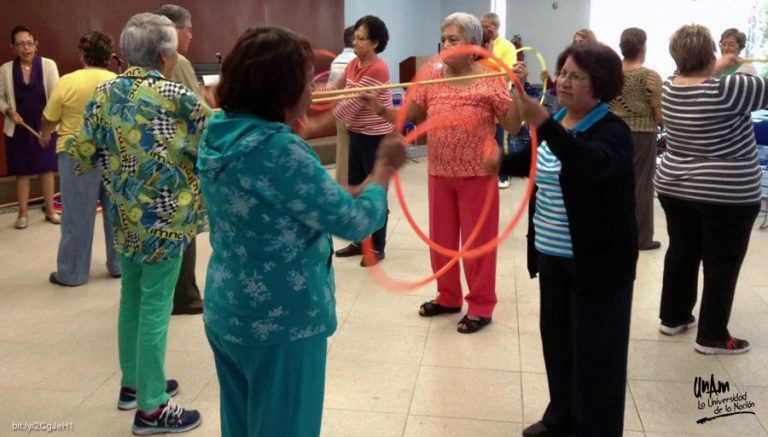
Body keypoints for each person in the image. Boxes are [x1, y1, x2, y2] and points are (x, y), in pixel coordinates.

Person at [198, 25, 406, 437]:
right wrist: (383, 171)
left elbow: (291, 200)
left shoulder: (218, 130)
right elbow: (356, 222)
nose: (315, 91)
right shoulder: (278, 148)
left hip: (229, 309)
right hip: (282, 321)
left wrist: (349, 190)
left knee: (241, 425)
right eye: (306, 81)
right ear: (280, 90)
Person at [71, 13, 210, 434]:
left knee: (132, 297)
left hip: (124, 217)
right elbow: (214, 142)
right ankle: (151, 408)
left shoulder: (103, 93)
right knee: (155, 306)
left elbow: (81, 153)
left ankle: (132, 384)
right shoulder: (177, 95)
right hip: (167, 218)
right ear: (166, 54)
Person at [491, 42, 636, 436]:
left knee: (596, 356)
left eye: (577, 75)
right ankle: (561, 418)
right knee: (558, 345)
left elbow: (587, 164)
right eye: (564, 73)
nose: (565, 82)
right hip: (552, 259)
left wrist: (544, 123)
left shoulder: (612, 132)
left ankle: (595, 428)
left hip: (597, 263)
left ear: (600, 84)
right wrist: (499, 162)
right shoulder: (562, 122)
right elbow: (539, 160)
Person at [364, 12, 523, 334]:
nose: (446, 44)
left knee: (477, 245)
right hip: (439, 172)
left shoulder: (490, 80)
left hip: (478, 172)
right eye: (444, 38)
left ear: (474, 45)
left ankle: (480, 304)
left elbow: (513, 125)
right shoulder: (431, 77)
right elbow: (407, 117)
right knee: (442, 242)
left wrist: (518, 91)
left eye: (454, 39)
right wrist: (380, 108)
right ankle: (448, 296)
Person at [655, 24, 766, 355]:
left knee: (682, 252)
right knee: (722, 263)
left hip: (676, 187)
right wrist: (732, 62)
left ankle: (673, 318)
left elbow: (703, 74)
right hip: (727, 194)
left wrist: (718, 63)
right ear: (711, 55)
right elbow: (758, 85)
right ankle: (713, 336)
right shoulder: (730, 89)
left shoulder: (668, 87)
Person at [308, 15, 395, 266]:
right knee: (357, 189)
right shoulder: (354, 64)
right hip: (357, 134)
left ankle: (377, 247)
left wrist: (316, 123)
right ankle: (361, 240)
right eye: (354, 37)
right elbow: (336, 88)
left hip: (377, 138)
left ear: (375, 43)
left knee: (375, 192)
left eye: (361, 38)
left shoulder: (379, 68)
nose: (354, 43)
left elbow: (351, 105)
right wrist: (309, 93)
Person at [40, 31, 120, 286]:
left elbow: (50, 118)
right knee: (116, 213)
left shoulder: (67, 81)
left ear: (83, 53)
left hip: (76, 153)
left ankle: (72, 273)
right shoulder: (119, 82)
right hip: (113, 153)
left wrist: (44, 135)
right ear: (108, 56)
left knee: (76, 216)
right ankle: (119, 266)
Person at [156, 3, 204, 315]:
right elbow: (196, 111)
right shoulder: (178, 61)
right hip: (181, 160)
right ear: (173, 29)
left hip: (151, 163)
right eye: (188, 28)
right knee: (184, 227)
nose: (191, 34)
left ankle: (168, 289)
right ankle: (185, 294)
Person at [609, 27, 663, 251]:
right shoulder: (651, 76)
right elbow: (659, 115)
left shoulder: (611, 74)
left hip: (612, 133)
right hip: (642, 134)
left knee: (613, 182)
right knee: (641, 184)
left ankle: (613, 233)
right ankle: (642, 238)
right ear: (642, 47)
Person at [0, 25, 59, 229]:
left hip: (44, 124)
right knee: (22, 171)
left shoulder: (49, 65)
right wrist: (8, 111)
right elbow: (0, 97)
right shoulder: (6, 69)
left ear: (36, 44)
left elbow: (56, 95)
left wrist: (49, 122)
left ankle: (50, 210)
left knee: (47, 168)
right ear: (13, 47)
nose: (26, 48)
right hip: (18, 126)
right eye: (20, 44)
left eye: (29, 43)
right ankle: (23, 213)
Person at [481, 12, 516, 189]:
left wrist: (490, 86)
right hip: (481, 98)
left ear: (494, 27)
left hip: (500, 97)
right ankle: (487, 171)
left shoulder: (507, 47)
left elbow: (507, 76)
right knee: (486, 138)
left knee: (501, 138)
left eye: (486, 26)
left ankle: (504, 174)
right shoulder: (478, 45)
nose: (483, 29)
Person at [329, 26, 356, 187]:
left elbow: (331, 88)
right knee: (354, 156)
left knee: (342, 153)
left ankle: (341, 186)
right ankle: (352, 189)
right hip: (354, 115)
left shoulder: (336, 61)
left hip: (339, 112)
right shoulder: (356, 63)